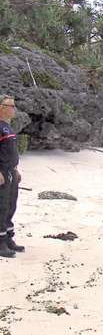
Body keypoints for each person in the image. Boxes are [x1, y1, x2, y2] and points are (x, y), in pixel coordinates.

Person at [0, 94, 24, 257]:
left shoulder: (8, 126)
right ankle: (1, 243)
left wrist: (15, 170)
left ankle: (9, 238)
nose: (14, 109)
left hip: (11, 172)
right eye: (11, 106)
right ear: (1, 108)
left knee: (11, 205)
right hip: (2, 173)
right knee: (1, 207)